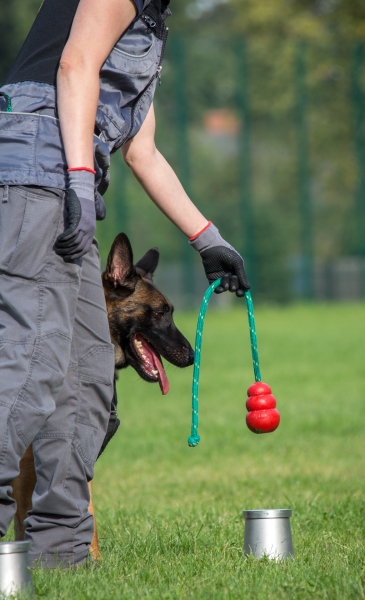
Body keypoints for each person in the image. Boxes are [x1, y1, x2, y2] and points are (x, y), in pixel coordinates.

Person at [0, 0, 250, 567]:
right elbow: (75, 66)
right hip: (40, 169)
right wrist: (81, 188)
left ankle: (60, 555)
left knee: (89, 376)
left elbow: (142, 148)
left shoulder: (154, 18)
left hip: (66, 178)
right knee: (36, 358)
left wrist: (207, 237)